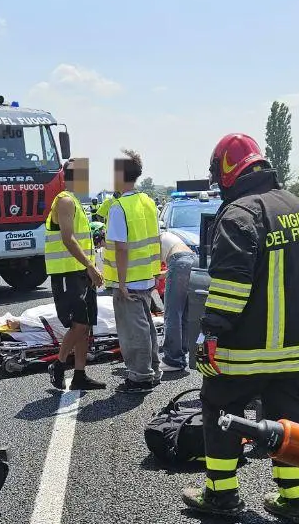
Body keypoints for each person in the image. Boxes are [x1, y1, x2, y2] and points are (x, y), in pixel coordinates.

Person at [181, 134, 299, 524]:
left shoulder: (239, 213)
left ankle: (221, 494)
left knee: (221, 411)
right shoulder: (298, 207)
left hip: (245, 349)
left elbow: (230, 283)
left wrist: (210, 334)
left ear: (227, 169)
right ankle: (296, 499)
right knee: (287, 420)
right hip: (295, 349)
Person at [105, 151, 163, 393]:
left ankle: (140, 376)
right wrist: (156, 271)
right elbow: (156, 239)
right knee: (146, 325)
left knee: (133, 331)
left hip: (128, 280)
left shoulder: (120, 207)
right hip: (146, 275)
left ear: (120, 175)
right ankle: (153, 368)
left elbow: (121, 248)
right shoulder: (147, 202)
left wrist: (120, 282)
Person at [45, 183, 106, 392]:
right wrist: (90, 266)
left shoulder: (78, 202)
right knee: (78, 324)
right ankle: (59, 364)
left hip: (80, 272)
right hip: (67, 272)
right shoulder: (65, 201)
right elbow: (68, 238)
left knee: (86, 324)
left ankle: (79, 375)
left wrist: (90, 268)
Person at [160, 228, 197, 371]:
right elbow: (171, 270)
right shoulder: (168, 236)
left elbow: (153, 268)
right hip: (190, 258)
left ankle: (173, 359)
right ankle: (182, 353)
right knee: (184, 312)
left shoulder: (151, 238)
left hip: (178, 261)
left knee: (172, 313)